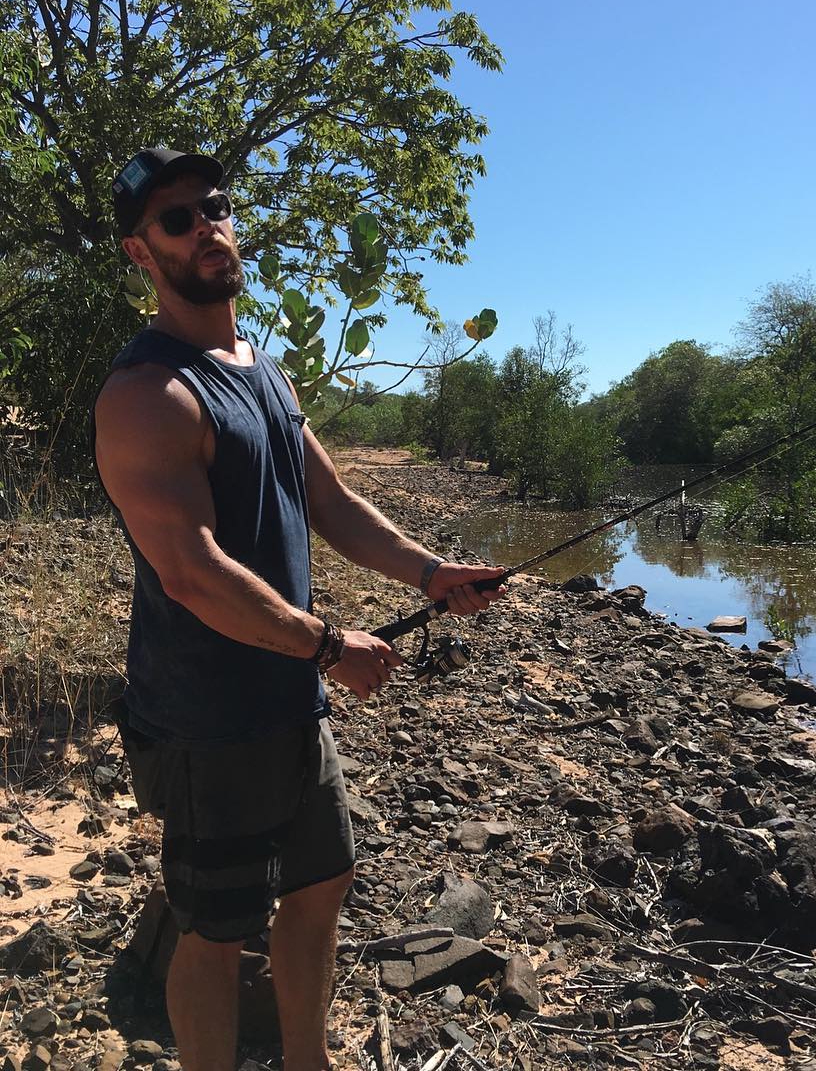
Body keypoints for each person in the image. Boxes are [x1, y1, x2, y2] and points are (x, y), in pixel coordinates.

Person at [94, 148, 504, 1071]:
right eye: (177, 219)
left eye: (216, 207)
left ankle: (305, 1059)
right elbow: (193, 573)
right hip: (207, 720)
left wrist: (431, 573)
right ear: (140, 251)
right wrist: (325, 646)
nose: (206, 225)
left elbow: (331, 503)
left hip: (288, 701)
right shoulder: (146, 395)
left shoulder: (262, 370)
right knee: (215, 930)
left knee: (324, 883)